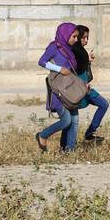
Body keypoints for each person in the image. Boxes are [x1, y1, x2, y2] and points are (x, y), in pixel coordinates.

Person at [35, 22, 83, 153]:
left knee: (75, 120)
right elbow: (42, 61)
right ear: (65, 34)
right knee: (66, 120)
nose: (76, 39)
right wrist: (59, 69)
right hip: (59, 90)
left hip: (70, 90)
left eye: (77, 37)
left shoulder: (69, 49)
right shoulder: (54, 47)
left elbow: (72, 70)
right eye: (74, 36)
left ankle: (69, 150)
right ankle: (42, 135)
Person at [72, 24, 110, 144]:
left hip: (86, 89)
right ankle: (69, 146)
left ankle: (89, 133)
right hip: (78, 89)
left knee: (103, 104)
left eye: (87, 38)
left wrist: (88, 62)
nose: (86, 40)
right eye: (84, 38)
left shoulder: (81, 52)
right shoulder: (74, 52)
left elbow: (85, 74)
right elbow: (73, 72)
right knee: (72, 120)